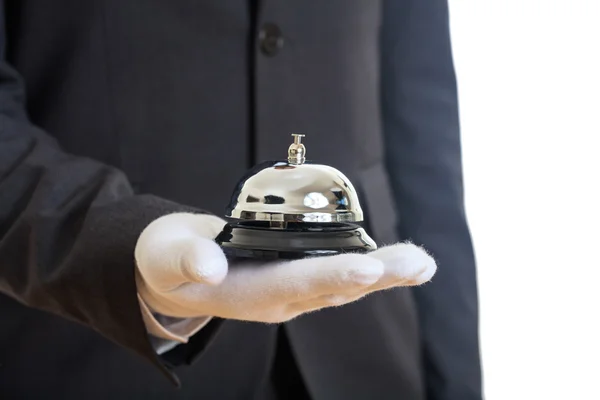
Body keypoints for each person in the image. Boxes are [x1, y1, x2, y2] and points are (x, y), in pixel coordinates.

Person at [0, 1, 481, 399]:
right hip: (91, 353)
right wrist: (123, 236)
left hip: (370, 355)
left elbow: (421, 135)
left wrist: (454, 381)